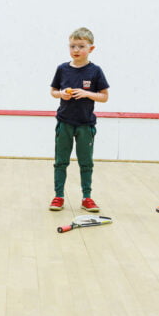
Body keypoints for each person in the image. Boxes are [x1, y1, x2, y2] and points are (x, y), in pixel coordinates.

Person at [48, 27, 109, 212]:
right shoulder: (62, 69)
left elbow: (104, 96)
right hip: (64, 123)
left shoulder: (96, 71)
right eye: (72, 46)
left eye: (81, 46)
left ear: (91, 49)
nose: (76, 50)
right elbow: (53, 92)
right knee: (60, 161)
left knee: (86, 163)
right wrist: (61, 94)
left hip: (86, 125)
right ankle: (58, 196)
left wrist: (86, 94)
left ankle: (87, 198)